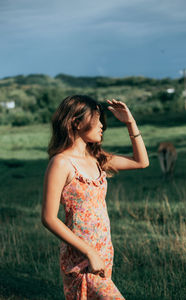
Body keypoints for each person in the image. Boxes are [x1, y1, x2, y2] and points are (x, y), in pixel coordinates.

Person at [41, 95, 149, 299]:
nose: (102, 126)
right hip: (81, 258)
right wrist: (89, 252)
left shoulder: (97, 159)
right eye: (96, 119)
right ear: (76, 122)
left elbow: (141, 162)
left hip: (104, 252)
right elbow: (48, 218)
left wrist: (130, 122)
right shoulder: (61, 163)